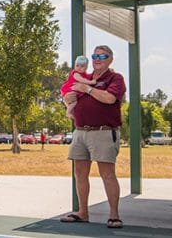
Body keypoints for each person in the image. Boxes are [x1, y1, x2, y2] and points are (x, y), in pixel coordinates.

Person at [59, 45, 126, 229]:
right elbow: (71, 96)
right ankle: (83, 213)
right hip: (80, 132)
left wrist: (86, 89)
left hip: (103, 132)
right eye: (95, 55)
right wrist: (68, 98)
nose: (97, 58)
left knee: (107, 174)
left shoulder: (115, 78)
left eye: (102, 55)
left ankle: (114, 215)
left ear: (110, 59)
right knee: (79, 174)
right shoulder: (86, 78)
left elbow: (109, 99)